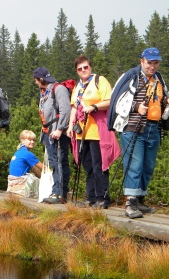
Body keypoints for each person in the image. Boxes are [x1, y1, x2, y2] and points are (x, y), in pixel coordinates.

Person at [107, 47, 169, 219]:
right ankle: (130, 203)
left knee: (148, 166)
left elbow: (164, 96)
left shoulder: (158, 78)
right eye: (149, 63)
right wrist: (136, 107)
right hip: (132, 128)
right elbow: (116, 100)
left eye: (156, 63)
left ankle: (139, 200)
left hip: (153, 127)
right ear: (142, 61)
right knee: (134, 164)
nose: (152, 66)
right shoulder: (131, 76)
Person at [67, 55, 121, 209]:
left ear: (90, 67)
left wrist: (94, 107)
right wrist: (71, 126)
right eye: (80, 69)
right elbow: (73, 107)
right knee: (88, 166)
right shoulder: (78, 86)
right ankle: (90, 197)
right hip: (81, 132)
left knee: (100, 165)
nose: (83, 70)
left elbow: (110, 100)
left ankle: (102, 197)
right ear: (77, 71)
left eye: (85, 67)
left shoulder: (99, 80)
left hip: (97, 131)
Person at [33, 67, 71, 204]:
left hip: (56, 133)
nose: (36, 83)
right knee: (55, 162)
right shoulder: (45, 91)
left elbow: (66, 110)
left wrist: (60, 129)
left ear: (41, 79)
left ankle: (59, 193)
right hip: (48, 132)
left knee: (59, 162)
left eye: (36, 80)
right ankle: (57, 192)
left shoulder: (58, 89)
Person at [7, 130, 43, 197]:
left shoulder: (18, 152)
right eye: (29, 140)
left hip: (11, 183)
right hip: (20, 183)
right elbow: (44, 168)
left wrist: (41, 177)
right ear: (22, 140)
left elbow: (34, 169)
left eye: (33, 140)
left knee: (34, 175)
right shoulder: (27, 154)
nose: (32, 142)